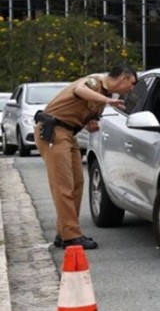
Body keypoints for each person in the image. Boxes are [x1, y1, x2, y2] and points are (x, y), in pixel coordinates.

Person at [34, 64, 138, 249]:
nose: (131, 88)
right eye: (131, 83)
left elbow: (87, 114)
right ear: (122, 78)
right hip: (53, 131)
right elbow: (79, 90)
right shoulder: (94, 81)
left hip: (68, 134)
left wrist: (92, 123)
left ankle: (63, 232)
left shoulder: (106, 96)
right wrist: (107, 101)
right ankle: (71, 237)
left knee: (77, 183)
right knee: (63, 186)